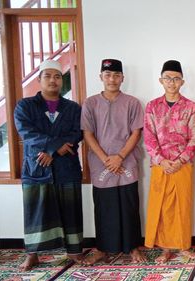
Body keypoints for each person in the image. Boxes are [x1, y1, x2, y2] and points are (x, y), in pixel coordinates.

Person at [14, 59, 84, 271]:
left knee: (70, 210)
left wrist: (53, 150)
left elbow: (77, 132)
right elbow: (26, 133)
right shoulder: (25, 106)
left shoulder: (72, 108)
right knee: (35, 212)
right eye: (48, 76)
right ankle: (32, 255)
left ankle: (74, 252)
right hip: (37, 167)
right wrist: (54, 147)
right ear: (39, 80)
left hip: (66, 168)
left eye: (57, 76)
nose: (53, 80)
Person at [81, 59, 146, 264]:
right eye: (108, 75)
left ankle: (133, 247)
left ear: (122, 78)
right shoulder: (90, 103)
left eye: (116, 75)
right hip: (101, 164)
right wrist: (105, 159)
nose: (112, 79)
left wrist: (120, 157)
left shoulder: (132, 102)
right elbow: (88, 133)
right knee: (104, 206)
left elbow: (136, 132)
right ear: (101, 77)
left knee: (129, 205)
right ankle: (102, 248)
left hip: (126, 161)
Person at [143, 60, 195, 262]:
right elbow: (149, 137)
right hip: (160, 165)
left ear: (182, 81)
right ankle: (165, 247)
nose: (171, 82)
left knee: (182, 206)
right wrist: (161, 160)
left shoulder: (191, 107)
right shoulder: (152, 106)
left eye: (176, 78)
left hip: (182, 165)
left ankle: (184, 245)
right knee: (161, 207)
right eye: (167, 78)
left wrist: (179, 160)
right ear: (161, 80)